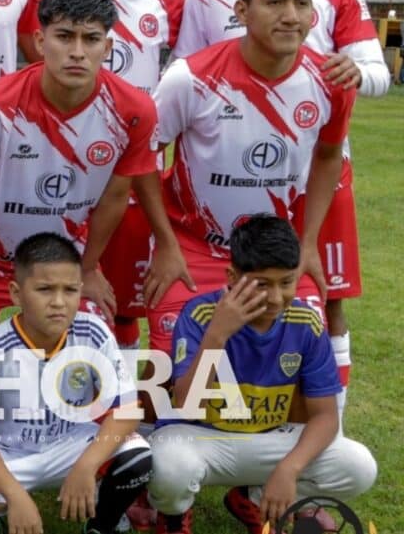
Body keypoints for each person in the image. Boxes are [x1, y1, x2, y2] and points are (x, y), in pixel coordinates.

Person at [177, 0, 387, 403]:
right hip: (227, 164)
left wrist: (352, 74)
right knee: (235, 279)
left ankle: (328, 411)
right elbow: (184, 70)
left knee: (325, 294)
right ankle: (227, 394)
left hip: (315, 164)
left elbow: (376, 73)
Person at [150, 0, 356, 378]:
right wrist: (166, 244)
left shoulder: (329, 82)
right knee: (178, 387)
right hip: (195, 250)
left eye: (302, 4)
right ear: (242, 11)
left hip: (276, 257)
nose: (291, 16)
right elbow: (142, 159)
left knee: (287, 380)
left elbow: (329, 155)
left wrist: (310, 241)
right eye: (275, 2)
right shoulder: (190, 78)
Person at [0, 0, 165, 372]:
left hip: (71, 258)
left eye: (91, 39)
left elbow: (114, 197)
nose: (77, 52)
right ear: (41, 42)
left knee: (88, 364)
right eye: (64, 36)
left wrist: (89, 268)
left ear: (108, 48)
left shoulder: (135, 110)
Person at [147, 216, 376, 534]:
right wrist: (218, 334)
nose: (275, 296)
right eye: (262, 284)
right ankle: (173, 515)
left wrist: (289, 469)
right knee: (167, 466)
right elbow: (187, 404)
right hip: (205, 439)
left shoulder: (306, 322)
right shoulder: (200, 315)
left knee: (357, 465)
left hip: (269, 440)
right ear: (231, 277)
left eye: (286, 282)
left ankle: (251, 499)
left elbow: (325, 417)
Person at [42, 0, 190, 359]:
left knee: (124, 302)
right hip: (65, 165)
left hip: (134, 169)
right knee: (56, 290)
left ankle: (122, 409)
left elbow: (185, 74)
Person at [0, 232, 153, 534]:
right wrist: (15, 495)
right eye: (45, 289)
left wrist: (86, 466)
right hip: (11, 453)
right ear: (17, 294)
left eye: (69, 290)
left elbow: (126, 411)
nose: (59, 302)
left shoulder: (93, 332)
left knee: (137, 455)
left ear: (80, 291)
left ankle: (102, 527)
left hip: (71, 445)